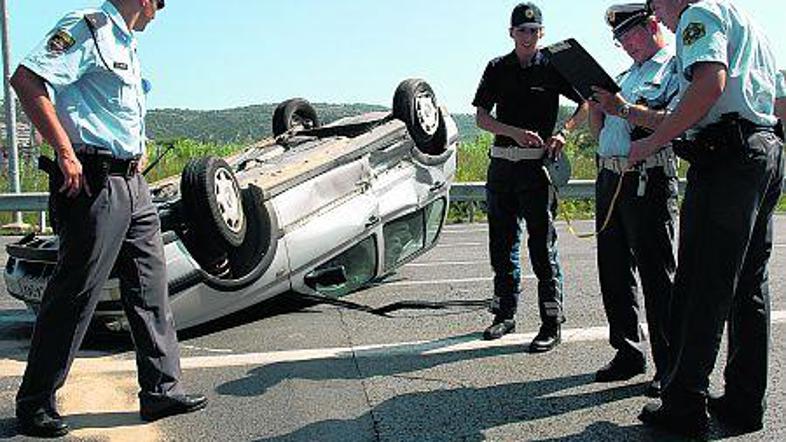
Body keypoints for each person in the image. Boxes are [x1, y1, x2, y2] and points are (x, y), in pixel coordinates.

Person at [10, 0, 207, 437]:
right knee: (75, 294)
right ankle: (35, 402)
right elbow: (26, 79)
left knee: (151, 287)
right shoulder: (89, 27)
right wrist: (63, 151)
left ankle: (161, 388)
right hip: (94, 182)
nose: (161, 9)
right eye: (160, 1)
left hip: (133, 183)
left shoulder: (126, 43)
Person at [631, 0, 784, 437]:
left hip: (725, 158)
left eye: (654, 4)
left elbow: (709, 85)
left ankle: (684, 404)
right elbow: (779, 100)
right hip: (762, 152)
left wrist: (656, 140)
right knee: (749, 286)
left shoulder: (699, 15)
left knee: (701, 283)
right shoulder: (750, 23)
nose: (655, 16)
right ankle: (743, 402)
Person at [472, 2, 586, 351]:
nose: (528, 35)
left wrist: (564, 133)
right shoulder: (496, 67)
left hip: (537, 169)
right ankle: (504, 314)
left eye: (534, 30)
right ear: (511, 33)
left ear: (542, 33)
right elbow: (481, 118)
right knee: (502, 245)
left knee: (541, 246)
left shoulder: (552, 66)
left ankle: (551, 321)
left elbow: (586, 103)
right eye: (522, 30)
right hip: (503, 166)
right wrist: (515, 132)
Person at [587, 3, 679, 398]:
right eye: (620, 39)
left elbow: (671, 120)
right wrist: (596, 106)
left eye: (631, 35)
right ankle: (627, 350)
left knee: (657, 274)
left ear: (653, 24)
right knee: (614, 270)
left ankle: (669, 364)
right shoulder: (624, 76)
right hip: (610, 176)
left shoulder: (675, 67)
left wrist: (622, 108)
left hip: (648, 177)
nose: (626, 45)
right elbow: (601, 131)